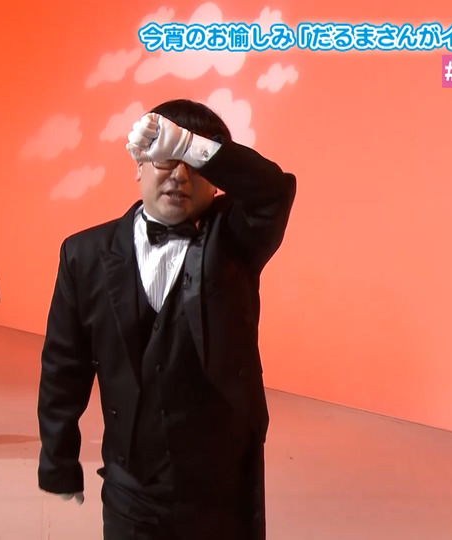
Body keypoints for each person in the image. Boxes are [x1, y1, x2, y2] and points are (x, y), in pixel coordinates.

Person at [37, 99, 296, 539]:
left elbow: (274, 190)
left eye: (193, 162)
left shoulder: (236, 238)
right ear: (138, 165)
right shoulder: (84, 254)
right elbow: (64, 364)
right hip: (130, 483)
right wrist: (58, 458)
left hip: (221, 485)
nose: (180, 175)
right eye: (164, 158)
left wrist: (193, 145)